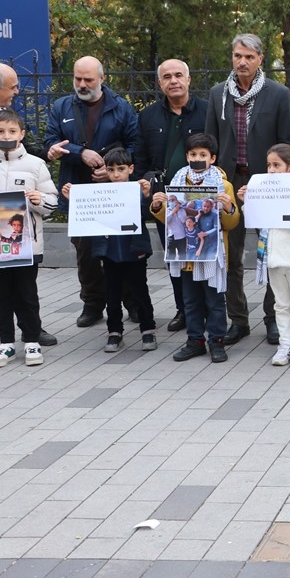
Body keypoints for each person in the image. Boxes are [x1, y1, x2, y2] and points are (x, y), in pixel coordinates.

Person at [205, 33, 290, 347]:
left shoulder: (278, 93)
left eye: (248, 57)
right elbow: (210, 143)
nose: (242, 62)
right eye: (237, 56)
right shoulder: (218, 93)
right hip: (230, 187)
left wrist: (282, 181)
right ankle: (239, 320)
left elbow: (287, 143)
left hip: (267, 185)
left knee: (271, 253)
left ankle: (273, 319)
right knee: (230, 258)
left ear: (260, 59)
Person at [44, 56, 141, 329]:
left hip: (115, 192)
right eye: (78, 79)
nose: (82, 84)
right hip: (79, 193)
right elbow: (51, 142)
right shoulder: (61, 106)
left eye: (88, 79)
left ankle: (131, 302)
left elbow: (136, 146)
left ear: (102, 78)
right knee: (85, 251)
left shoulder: (121, 108)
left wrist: (112, 167)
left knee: (121, 247)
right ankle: (92, 303)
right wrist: (78, 152)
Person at [0, 108, 56, 367]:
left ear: (22, 134)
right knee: (2, 293)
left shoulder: (35, 165)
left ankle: (31, 341)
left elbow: (52, 200)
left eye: (12, 131)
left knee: (27, 293)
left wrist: (41, 200)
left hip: (27, 244)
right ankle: (6, 343)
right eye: (1, 131)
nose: (6, 135)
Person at [151, 133, 241, 364]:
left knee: (214, 301)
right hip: (187, 256)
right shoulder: (178, 183)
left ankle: (217, 341)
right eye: (193, 154)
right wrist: (157, 206)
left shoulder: (224, 185)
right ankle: (195, 341)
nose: (197, 158)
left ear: (212, 158)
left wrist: (229, 207)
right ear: (187, 157)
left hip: (212, 255)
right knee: (190, 300)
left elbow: (231, 224)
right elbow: (170, 220)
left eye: (203, 154)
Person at [135, 58, 207, 333]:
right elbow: (140, 157)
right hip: (167, 201)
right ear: (160, 82)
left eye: (179, 75)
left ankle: (209, 306)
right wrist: (145, 185)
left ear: (189, 79)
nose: (173, 80)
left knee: (204, 252)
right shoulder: (149, 117)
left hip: (202, 197)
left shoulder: (207, 112)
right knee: (176, 256)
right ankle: (184, 309)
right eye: (167, 76)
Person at [62, 148, 158, 353]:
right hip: (109, 252)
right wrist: (75, 200)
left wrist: (146, 196)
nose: (116, 174)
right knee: (112, 294)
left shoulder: (136, 190)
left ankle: (147, 329)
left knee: (140, 292)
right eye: (111, 169)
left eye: (121, 169)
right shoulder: (100, 194)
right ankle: (114, 332)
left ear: (130, 169)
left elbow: (146, 214)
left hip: (135, 251)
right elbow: (87, 215)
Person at [238, 143, 290, 366]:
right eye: (269, 165)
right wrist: (247, 202)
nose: (272, 170)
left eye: (277, 165)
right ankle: (285, 345)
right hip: (273, 258)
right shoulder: (264, 187)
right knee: (281, 305)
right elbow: (257, 221)